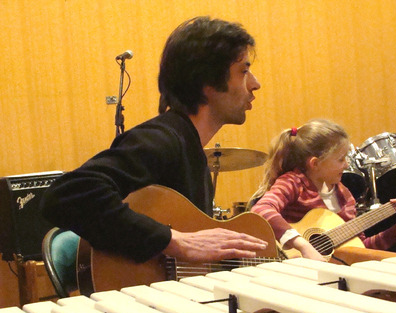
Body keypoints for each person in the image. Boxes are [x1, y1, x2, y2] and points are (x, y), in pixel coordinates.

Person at [40, 16, 267, 264]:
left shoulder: (191, 150)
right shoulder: (162, 140)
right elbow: (66, 196)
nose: (255, 84)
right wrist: (175, 242)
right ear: (207, 82)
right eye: (244, 71)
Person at [250, 119, 396, 261]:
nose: (347, 165)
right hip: (289, 270)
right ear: (315, 164)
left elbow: (358, 249)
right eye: (340, 159)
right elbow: (261, 209)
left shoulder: (345, 196)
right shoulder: (294, 182)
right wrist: (302, 245)